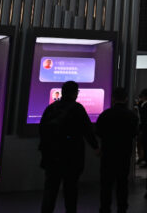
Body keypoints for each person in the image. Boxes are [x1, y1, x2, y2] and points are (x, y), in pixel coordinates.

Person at [39, 81, 99, 213]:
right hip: (72, 156)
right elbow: (87, 130)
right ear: (74, 93)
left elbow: (42, 130)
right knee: (71, 189)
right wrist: (95, 146)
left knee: (50, 189)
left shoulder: (51, 108)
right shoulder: (77, 108)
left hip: (52, 156)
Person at [96, 87, 139, 213]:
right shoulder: (132, 116)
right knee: (122, 183)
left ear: (113, 98)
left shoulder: (105, 114)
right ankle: (122, 208)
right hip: (124, 153)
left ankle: (105, 208)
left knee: (106, 184)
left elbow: (98, 132)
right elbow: (134, 133)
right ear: (126, 99)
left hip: (108, 153)